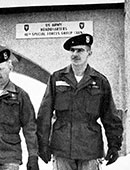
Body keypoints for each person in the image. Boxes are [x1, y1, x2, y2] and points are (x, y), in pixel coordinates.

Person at [36, 34, 124, 170]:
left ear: (89, 53)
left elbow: (110, 116)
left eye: (80, 50)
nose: (75, 54)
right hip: (62, 148)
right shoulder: (57, 78)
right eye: (72, 50)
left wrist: (114, 145)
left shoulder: (100, 81)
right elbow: (44, 114)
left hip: (89, 148)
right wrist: (42, 144)